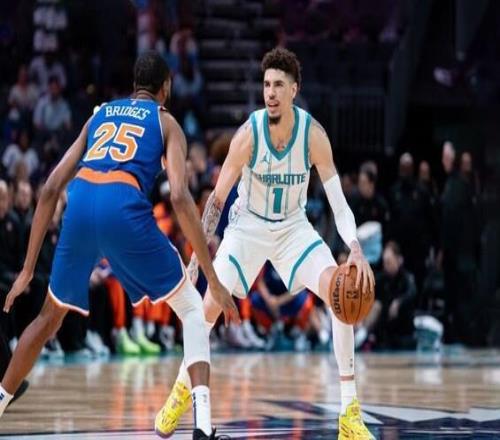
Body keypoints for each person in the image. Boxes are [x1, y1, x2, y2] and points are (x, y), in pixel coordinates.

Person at [0, 51, 238, 440]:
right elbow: (180, 196)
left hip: (79, 204)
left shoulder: (100, 114)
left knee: (47, 318)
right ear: (166, 87)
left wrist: (28, 269)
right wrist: (211, 277)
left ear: (134, 85)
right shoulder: (166, 122)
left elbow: (51, 187)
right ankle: (202, 428)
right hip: (122, 206)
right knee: (193, 309)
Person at [156, 47, 375, 440]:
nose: (270, 93)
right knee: (205, 310)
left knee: (341, 292)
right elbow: (216, 201)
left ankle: (349, 413)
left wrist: (354, 247)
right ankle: (181, 390)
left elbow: (339, 204)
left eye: (278, 85)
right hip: (248, 227)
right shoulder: (248, 135)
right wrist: (196, 260)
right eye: (266, 85)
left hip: (293, 228)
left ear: (294, 90)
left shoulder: (314, 136)